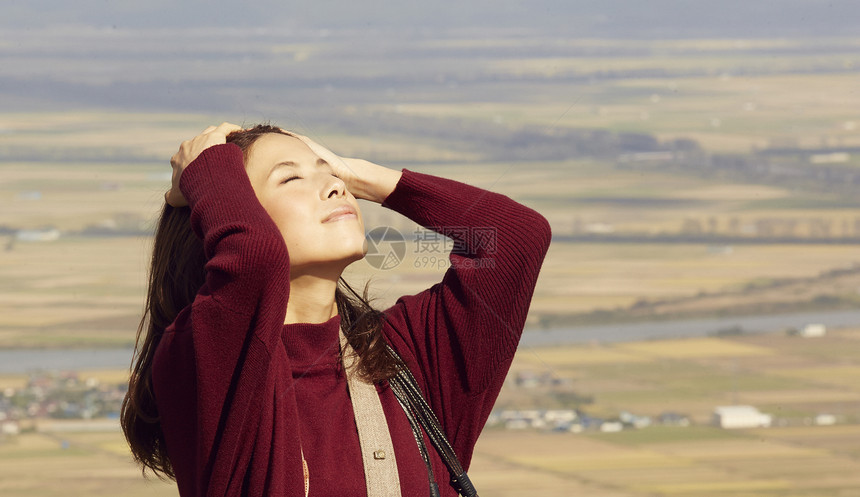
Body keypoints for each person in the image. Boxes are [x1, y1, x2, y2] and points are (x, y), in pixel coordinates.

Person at [121, 122, 551, 496]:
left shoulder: (406, 357)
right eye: (290, 180)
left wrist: (356, 173)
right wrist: (207, 165)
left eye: (330, 174)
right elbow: (254, 261)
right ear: (223, 218)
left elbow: (516, 239)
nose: (335, 187)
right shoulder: (206, 359)